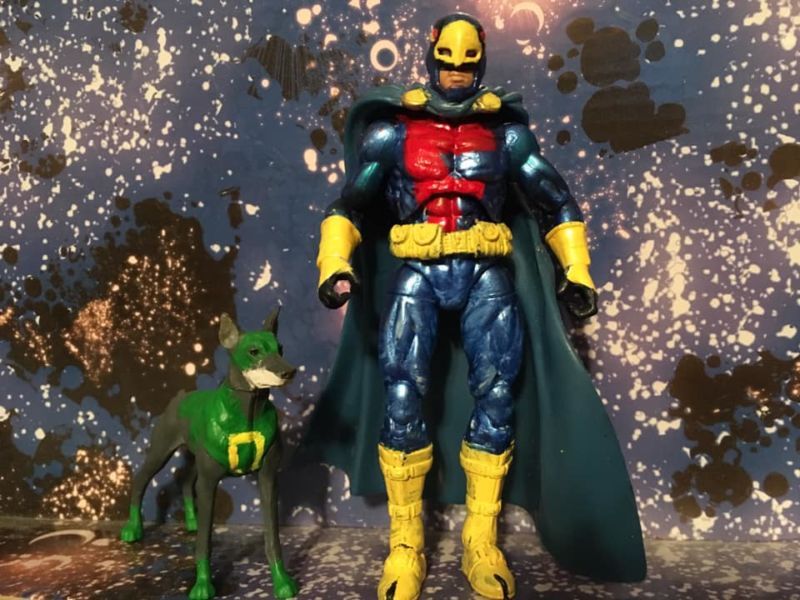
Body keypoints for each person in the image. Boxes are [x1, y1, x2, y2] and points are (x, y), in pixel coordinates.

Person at [307, 13, 646, 600]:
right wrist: (335, 262)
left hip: (486, 269)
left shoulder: (506, 136)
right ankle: (406, 544)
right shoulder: (392, 134)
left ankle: (480, 541)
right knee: (401, 396)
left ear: (481, 61)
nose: (457, 73)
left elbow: (555, 202)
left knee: (496, 398)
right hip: (418, 269)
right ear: (431, 56)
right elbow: (349, 206)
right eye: (448, 61)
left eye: (468, 62)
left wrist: (576, 270)